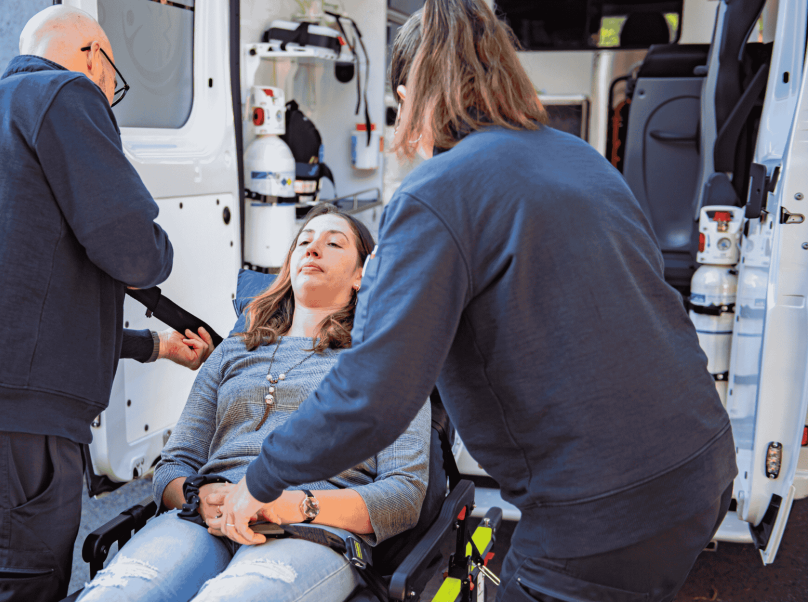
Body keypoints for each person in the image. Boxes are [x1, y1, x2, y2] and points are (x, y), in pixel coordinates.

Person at [220, 3, 737, 602]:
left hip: (598, 511)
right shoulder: (581, 159)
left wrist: (261, 478)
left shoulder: (436, 194)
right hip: (699, 463)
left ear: (415, 89)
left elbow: (374, 395)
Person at [0, 6, 213, 602]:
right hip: (16, 440)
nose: (109, 96)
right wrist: (156, 254)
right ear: (90, 56)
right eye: (113, 81)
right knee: (15, 587)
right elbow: (136, 253)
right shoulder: (66, 93)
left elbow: (27, 296)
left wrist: (157, 345)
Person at [76, 205, 432, 602]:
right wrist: (197, 497)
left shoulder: (388, 361)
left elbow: (403, 495)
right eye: (304, 241)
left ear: (361, 276)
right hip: (204, 521)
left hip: (309, 530)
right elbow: (173, 466)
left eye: (334, 243)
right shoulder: (233, 352)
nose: (313, 249)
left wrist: (291, 504)